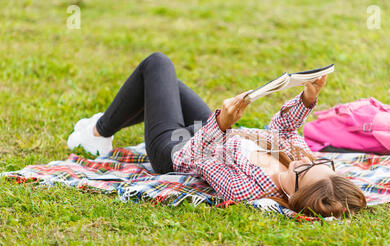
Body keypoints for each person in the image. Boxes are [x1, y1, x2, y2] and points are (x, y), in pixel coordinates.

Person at [68, 52, 367, 218]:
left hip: (176, 150)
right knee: (162, 84)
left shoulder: (248, 189)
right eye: (318, 164)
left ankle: (97, 134)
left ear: (292, 195)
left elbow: (197, 158)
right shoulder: (303, 164)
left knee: (157, 65)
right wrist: (307, 98)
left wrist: (221, 124)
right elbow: (284, 130)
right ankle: (108, 124)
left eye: (304, 171)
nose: (303, 162)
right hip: (212, 131)